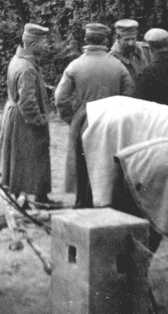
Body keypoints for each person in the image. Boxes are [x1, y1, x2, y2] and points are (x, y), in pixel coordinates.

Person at [54, 22, 134, 193]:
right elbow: (130, 96)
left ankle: (82, 200)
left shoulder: (75, 66)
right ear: (105, 40)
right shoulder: (118, 66)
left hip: (84, 118)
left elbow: (60, 99)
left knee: (81, 162)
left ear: (85, 39)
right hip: (112, 118)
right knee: (108, 160)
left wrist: (71, 118)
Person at [0, 23, 57, 208]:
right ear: (32, 44)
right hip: (24, 119)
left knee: (19, 158)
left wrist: (45, 90)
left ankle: (36, 197)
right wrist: (39, 120)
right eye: (43, 42)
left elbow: (22, 88)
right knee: (27, 158)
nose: (46, 45)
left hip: (14, 115)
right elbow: (27, 101)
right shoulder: (27, 67)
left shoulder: (19, 60)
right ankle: (25, 200)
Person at [109, 17, 152, 85]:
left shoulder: (145, 50)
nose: (131, 43)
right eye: (127, 39)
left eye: (133, 39)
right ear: (117, 38)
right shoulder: (112, 58)